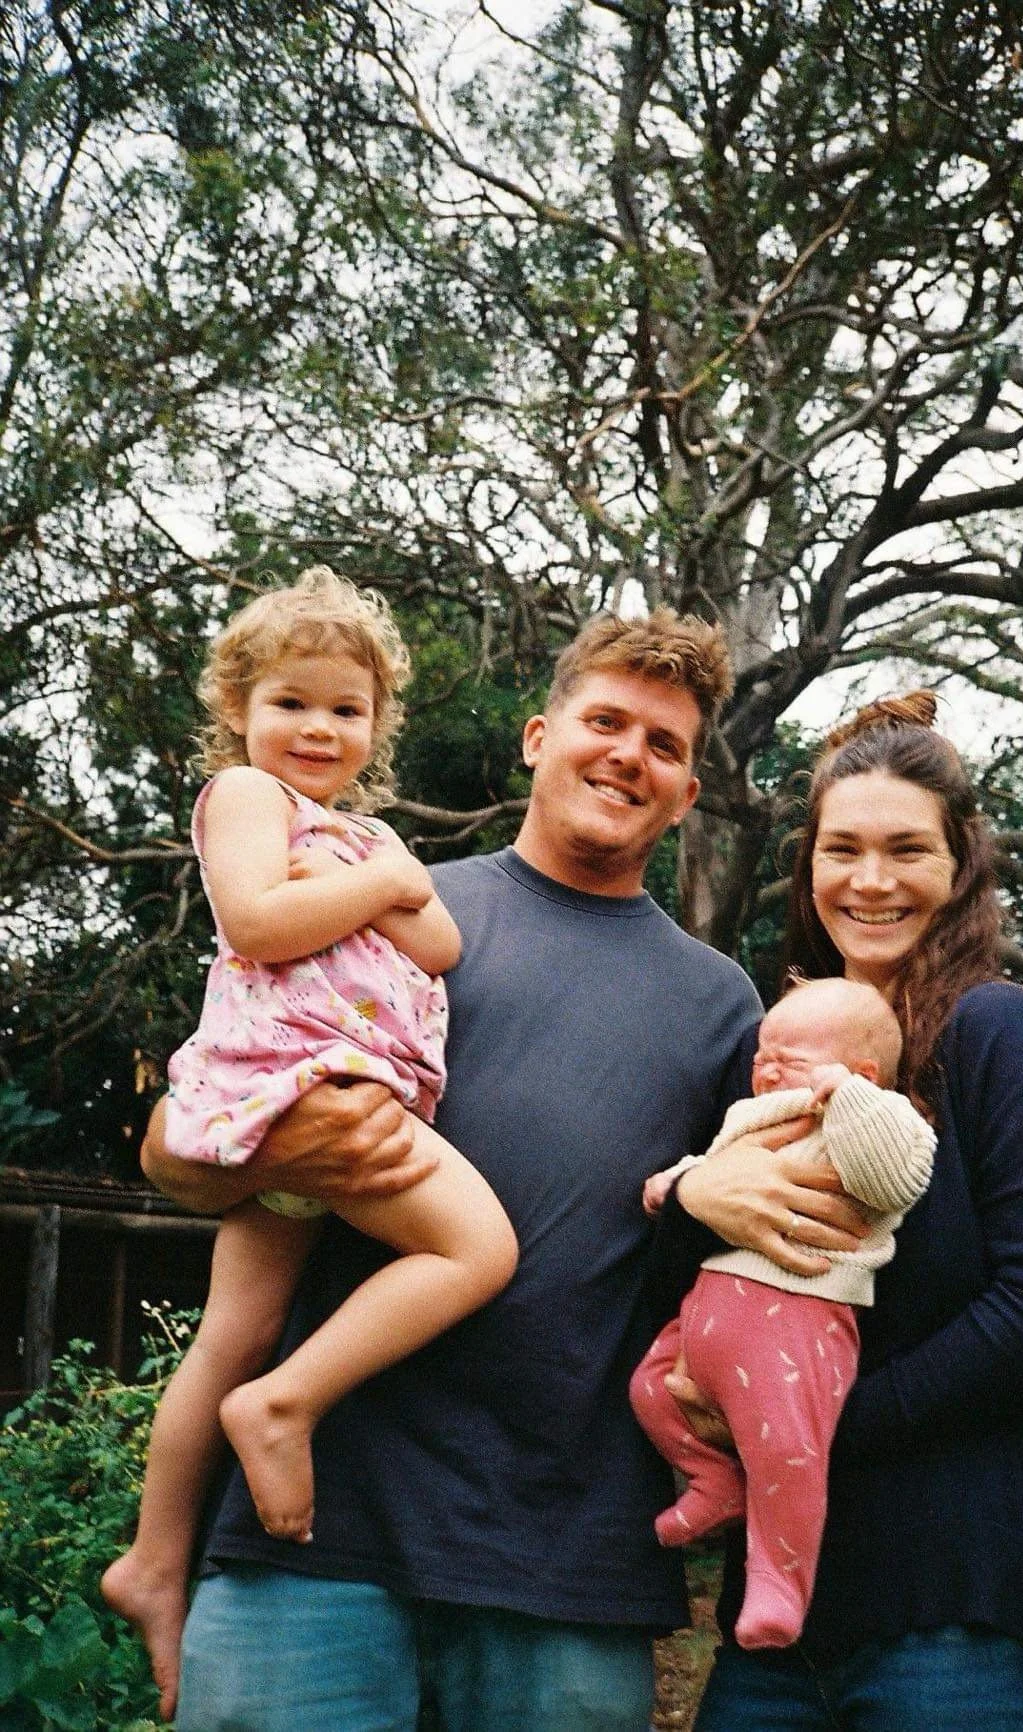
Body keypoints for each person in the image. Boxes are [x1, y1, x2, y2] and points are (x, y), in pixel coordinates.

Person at [139, 605, 867, 1732]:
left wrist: (701, 1195)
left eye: (665, 746)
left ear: (684, 796)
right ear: (538, 735)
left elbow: (749, 1237)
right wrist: (209, 1158)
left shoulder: (723, 1003)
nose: (630, 755)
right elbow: (205, 1118)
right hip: (317, 1530)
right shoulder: (387, 909)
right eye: (606, 720)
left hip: (564, 1564)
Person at [657, 690, 1023, 1732]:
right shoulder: (773, 1056)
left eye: (906, 849)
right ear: (809, 867)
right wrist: (694, 1198)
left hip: (977, 1609)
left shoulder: (997, 1033)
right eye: (842, 849)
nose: (870, 881)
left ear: (960, 862)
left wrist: (810, 1427)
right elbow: (692, 1281)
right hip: (785, 1631)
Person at [102, 567, 518, 1722]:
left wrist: (381, 869)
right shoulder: (246, 797)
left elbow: (438, 943)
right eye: (293, 701)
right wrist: (376, 881)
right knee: (478, 1252)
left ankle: (150, 1558)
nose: (319, 728)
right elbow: (255, 920)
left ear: (377, 722)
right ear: (239, 706)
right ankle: (287, 1406)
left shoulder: (363, 836)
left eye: (346, 707)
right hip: (303, 1080)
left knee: (231, 1329)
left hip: (318, 1091)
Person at [631, 976, 935, 1651]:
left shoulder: (881, 1119)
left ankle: (781, 1583)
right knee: (649, 1389)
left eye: (789, 1055)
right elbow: (714, 1167)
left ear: (860, 1071)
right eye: (763, 1051)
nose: (765, 1064)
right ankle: (716, 1482)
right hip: (707, 1318)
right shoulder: (754, 1114)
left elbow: (895, 1177)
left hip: (797, 1319)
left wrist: (852, 1099)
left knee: (786, 1450)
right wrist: (679, 1186)